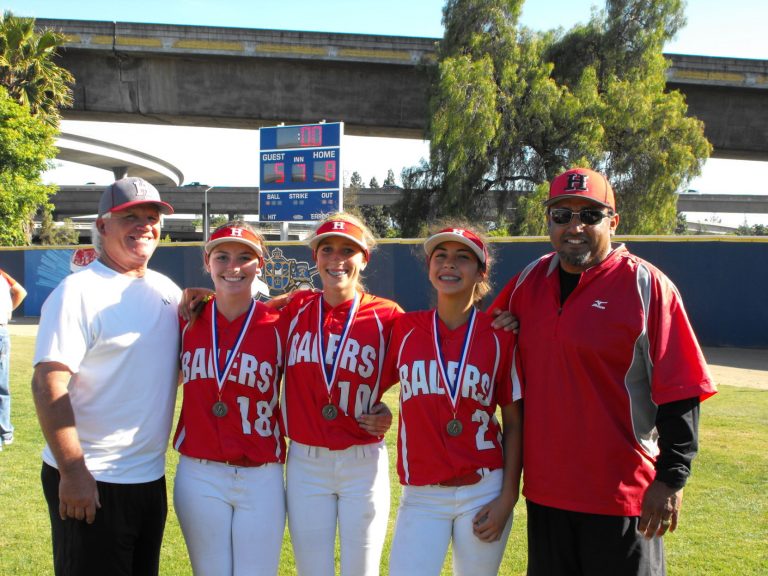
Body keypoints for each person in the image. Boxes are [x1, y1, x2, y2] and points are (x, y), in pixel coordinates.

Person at [490, 167, 717, 575]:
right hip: (547, 494)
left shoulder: (647, 286)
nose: (574, 226)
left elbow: (681, 388)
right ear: (549, 222)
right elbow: (483, 343)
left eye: (590, 215)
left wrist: (671, 479)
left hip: (623, 497)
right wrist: (502, 329)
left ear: (613, 222)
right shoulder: (528, 281)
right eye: (562, 215)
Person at [31, 177, 181, 576]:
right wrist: (73, 472)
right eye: (130, 217)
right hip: (92, 478)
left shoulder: (168, 292)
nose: (144, 226)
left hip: (148, 478)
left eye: (152, 217)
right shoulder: (78, 292)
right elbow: (48, 383)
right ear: (102, 226)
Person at [384, 226, 523, 576]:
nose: (449, 264)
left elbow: (514, 423)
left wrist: (508, 498)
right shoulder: (404, 328)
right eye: (441, 256)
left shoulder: (500, 335)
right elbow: (365, 379)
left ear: (481, 272)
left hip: (484, 488)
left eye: (462, 257)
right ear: (429, 267)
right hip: (421, 492)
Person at [281, 212, 403, 576]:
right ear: (315, 257)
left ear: (364, 258)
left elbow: (426, 366)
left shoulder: (387, 315)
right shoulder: (294, 308)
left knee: (362, 571)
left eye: (347, 250)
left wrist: (387, 412)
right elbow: (239, 315)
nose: (337, 259)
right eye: (327, 249)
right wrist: (204, 297)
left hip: (362, 461)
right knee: (311, 570)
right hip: (305, 461)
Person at [172, 221, 286, 576]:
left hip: (261, 474)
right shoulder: (186, 317)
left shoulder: (281, 322)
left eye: (244, 257)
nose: (233, 267)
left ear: (260, 265)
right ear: (207, 262)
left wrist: (374, 408)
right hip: (199, 472)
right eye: (222, 257)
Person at [0, 267, 27, 450]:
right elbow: (20, 291)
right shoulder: (2, 274)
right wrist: (7, 311)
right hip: (2, 331)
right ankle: (5, 433)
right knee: (2, 386)